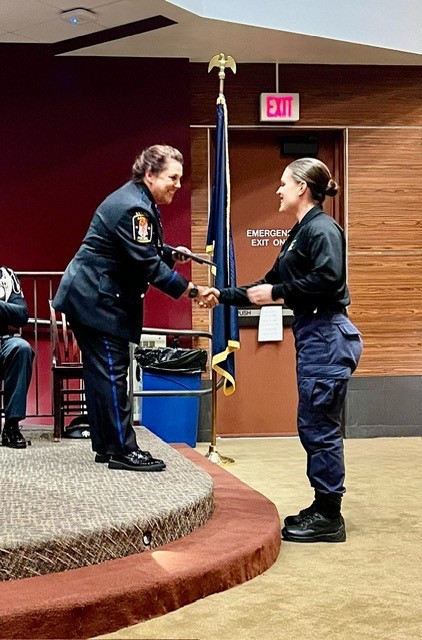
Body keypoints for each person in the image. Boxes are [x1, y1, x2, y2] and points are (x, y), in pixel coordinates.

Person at [203, 157, 363, 542]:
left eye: (283, 184)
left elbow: (327, 279)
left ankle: (329, 517)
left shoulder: (322, 229)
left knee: (319, 427)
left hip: (326, 332)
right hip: (314, 335)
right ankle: (322, 503)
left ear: (302, 189)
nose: (278, 190)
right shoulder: (299, 232)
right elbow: (268, 283)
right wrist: (220, 295)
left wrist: (277, 292)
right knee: (312, 424)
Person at [53, 145, 216, 472]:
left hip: (92, 298)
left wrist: (169, 252)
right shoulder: (134, 208)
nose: (178, 185)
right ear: (150, 174)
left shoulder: (136, 201)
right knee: (113, 375)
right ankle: (123, 451)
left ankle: (107, 446)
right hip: (97, 303)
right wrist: (192, 290)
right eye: (173, 177)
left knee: (101, 377)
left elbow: (137, 249)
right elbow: (147, 266)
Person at [0, 266, 34, 449]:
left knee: (21, 348)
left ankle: (11, 426)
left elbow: (21, 314)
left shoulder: (6, 276)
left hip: (2, 342)